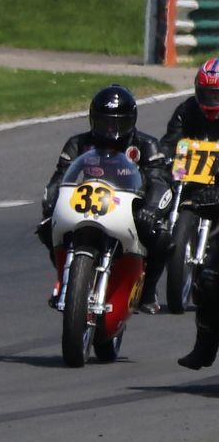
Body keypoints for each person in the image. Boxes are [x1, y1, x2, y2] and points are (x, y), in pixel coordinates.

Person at [38, 84, 173, 314]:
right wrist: (50, 200)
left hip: (131, 209)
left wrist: (150, 209)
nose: (111, 129)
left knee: (161, 238)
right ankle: (65, 278)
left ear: (131, 121)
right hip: (86, 205)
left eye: (118, 123)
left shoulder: (146, 145)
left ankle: (148, 291)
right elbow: (60, 176)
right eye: (104, 122)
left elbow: (160, 180)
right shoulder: (77, 143)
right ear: (93, 119)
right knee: (45, 228)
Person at [168, 62, 219, 365]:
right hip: (194, 187)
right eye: (208, 93)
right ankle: (204, 347)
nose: (211, 102)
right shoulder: (186, 110)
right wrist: (169, 155)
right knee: (211, 280)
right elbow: (170, 141)